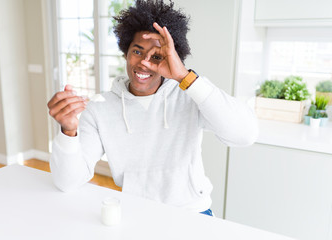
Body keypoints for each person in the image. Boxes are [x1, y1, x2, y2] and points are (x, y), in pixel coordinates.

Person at [47, 0, 258, 216]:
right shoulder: (100, 109)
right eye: (137, 52)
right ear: (126, 53)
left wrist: (184, 76)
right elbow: (67, 182)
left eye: (157, 57)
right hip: (136, 212)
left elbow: (245, 134)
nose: (145, 63)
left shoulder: (190, 95)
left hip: (193, 212)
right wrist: (68, 131)